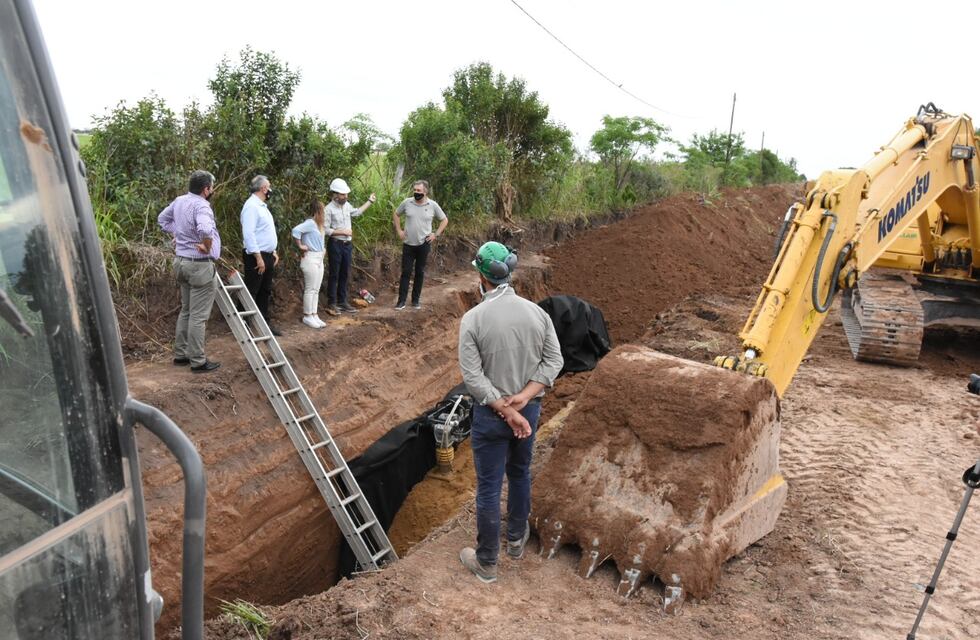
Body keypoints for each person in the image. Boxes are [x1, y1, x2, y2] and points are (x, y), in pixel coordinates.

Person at [457, 241, 564, 583]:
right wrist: (523, 398)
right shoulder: (537, 313)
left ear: (481, 276)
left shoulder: (473, 319)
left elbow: (472, 377)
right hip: (528, 412)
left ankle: (487, 562)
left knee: (489, 487)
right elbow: (554, 361)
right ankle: (516, 540)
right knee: (519, 474)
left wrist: (504, 407)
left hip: (491, 416)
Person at [157, 170, 221, 373]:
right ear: (206, 189)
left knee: (186, 310)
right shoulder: (202, 205)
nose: (212, 190)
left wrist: (179, 234)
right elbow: (204, 229)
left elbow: (162, 219)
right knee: (198, 316)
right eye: (212, 187)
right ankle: (198, 361)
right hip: (199, 265)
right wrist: (207, 245)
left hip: (181, 262)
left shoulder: (180, 200)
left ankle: (181, 354)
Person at [392, 180, 448, 310]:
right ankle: (401, 302)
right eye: (415, 190)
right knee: (405, 272)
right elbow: (396, 214)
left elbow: (444, 220)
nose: (416, 192)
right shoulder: (407, 202)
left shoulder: (432, 205)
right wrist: (399, 230)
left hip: (424, 244)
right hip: (408, 244)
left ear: (425, 191)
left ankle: (415, 300)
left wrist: (435, 234)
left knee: (419, 272)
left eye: (419, 191)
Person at [324, 178, 375, 315]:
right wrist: (342, 231)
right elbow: (325, 229)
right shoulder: (328, 209)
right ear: (335, 194)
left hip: (347, 245)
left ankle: (342, 301)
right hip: (335, 244)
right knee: (334, 273)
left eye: (346, 194)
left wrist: (369, 201)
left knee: (345, 272)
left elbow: (356, 212)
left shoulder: (346, 205)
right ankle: (332, 302)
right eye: (342, 194)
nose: (345, 197)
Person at [241, 175, 281, 336]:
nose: (270, 189)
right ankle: (244, 325)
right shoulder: (251, 206)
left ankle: (264, 323)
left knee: (265, 290)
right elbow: (249, 234)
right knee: (252, 290)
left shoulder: (261, 206)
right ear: (264, 188)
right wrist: (258, 257)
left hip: (267, 255)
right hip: (255, 256)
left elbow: (264, 232)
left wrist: (273, 252)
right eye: (269, 186)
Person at [292, 199, 328, 329]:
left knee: (316, 289)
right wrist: (301, 246)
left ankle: (314, 314)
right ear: (318, 211)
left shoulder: (319, 225)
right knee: (310, 288)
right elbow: (295, 230)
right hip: (310, 258)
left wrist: (323, 250)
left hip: (319, 258)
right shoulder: (310, 223)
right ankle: (307, 315)